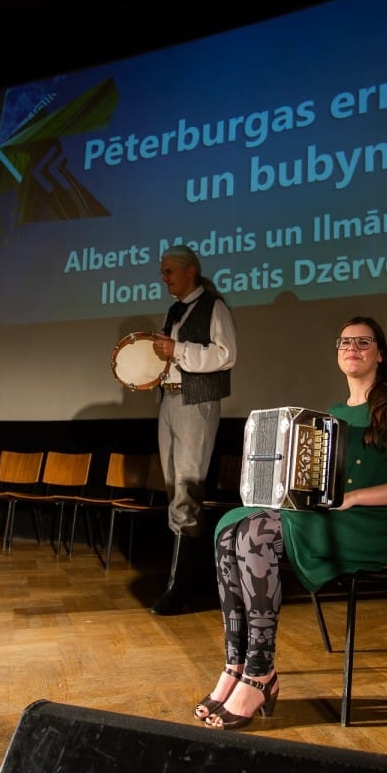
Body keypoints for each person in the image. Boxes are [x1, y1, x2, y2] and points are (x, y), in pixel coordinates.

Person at [195, 317, 387, 730]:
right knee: (232, 526)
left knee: (257, 533)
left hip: (377, 526)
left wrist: (357, 497)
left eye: (363, 342)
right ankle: (236, 664)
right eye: (344, 342)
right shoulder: (335, 413)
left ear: (380, 353)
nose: (352, 348)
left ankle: (261, 671)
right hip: (335, 522)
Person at [147, 244, 239, 615]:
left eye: (169, 271)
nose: (164, 277)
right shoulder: (174, 310)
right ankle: (183, 579)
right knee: (174, 489)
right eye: (163, 271)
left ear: (190, 271)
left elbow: (226, 354)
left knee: (187, 489)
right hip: (169, 401)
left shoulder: (214, 306)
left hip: (195, 401)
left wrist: (178, 349)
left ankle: (181, 587)